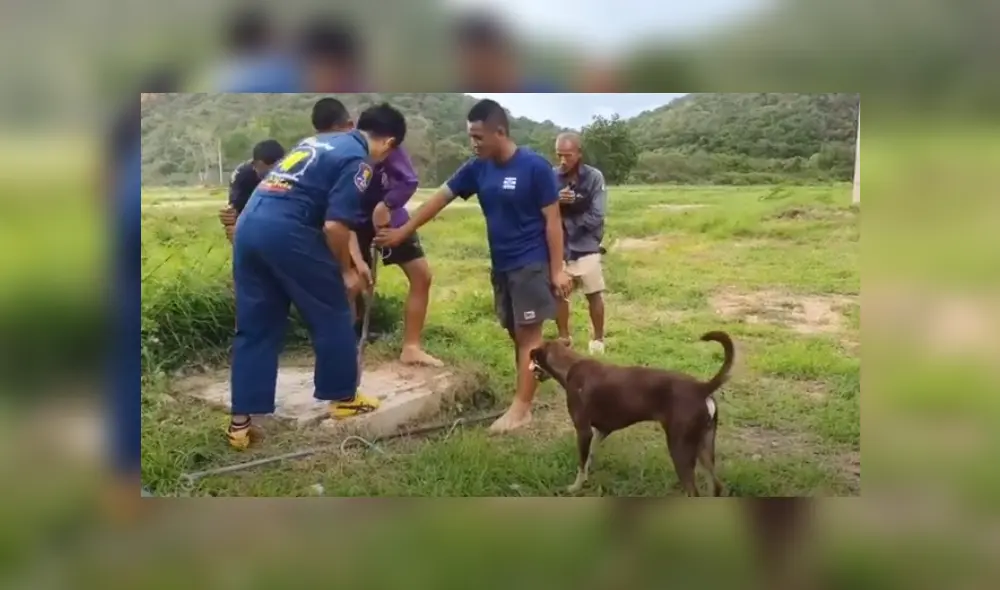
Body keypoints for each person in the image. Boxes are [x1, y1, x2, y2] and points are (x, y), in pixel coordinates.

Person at [376, 98, 572, 433]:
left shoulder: (534, 167)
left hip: (531, 264)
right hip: (502, 265)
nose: (474, 143)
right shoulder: (477, 168)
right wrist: (401, 232)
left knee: (530, 336)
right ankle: (541, 380)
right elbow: (439, 199)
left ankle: (521, 409)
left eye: (479, 136)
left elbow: (552, 222)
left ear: (500, 131)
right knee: (518, 334)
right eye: (470, 136)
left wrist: (558, 269)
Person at [226, 101, 407, 450]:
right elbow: (336, 225)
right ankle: (343, 397)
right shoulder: (359, 161)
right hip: (287, 232)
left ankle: (239, 424)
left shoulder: (315, 142)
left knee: (256, 326)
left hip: (249, 227)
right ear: (389, 143)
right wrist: (345, 271)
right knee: (335, 308)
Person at [351, 142, 443, 367]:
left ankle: (411, 348)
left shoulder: (391, 144)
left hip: (391, 219)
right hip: (352, 220)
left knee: (422, 275)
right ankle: (347, 343)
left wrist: (387, 205)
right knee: (352, 282)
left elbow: (408, 181)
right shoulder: (347, 150)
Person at [553, 132, 608, 354]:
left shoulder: (594, 178)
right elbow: (540, 209)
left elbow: (598, 214)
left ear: (579, 153)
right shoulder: (550, 177)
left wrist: (569, 220)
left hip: (586, 245)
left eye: (568, 155)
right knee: (560, 294)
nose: (563, 161)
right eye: (559, 156)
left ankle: (598, 339)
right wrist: (557, 201)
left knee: (594, 292)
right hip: (560, 246)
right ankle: (564, 338)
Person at [218, 139, 286, 242]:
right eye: (265, 173)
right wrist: (229, 218)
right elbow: (233, 211)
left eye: (274, 172)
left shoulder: (294, 172)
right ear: (254, 165)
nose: (269, 177)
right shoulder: (242, 175)